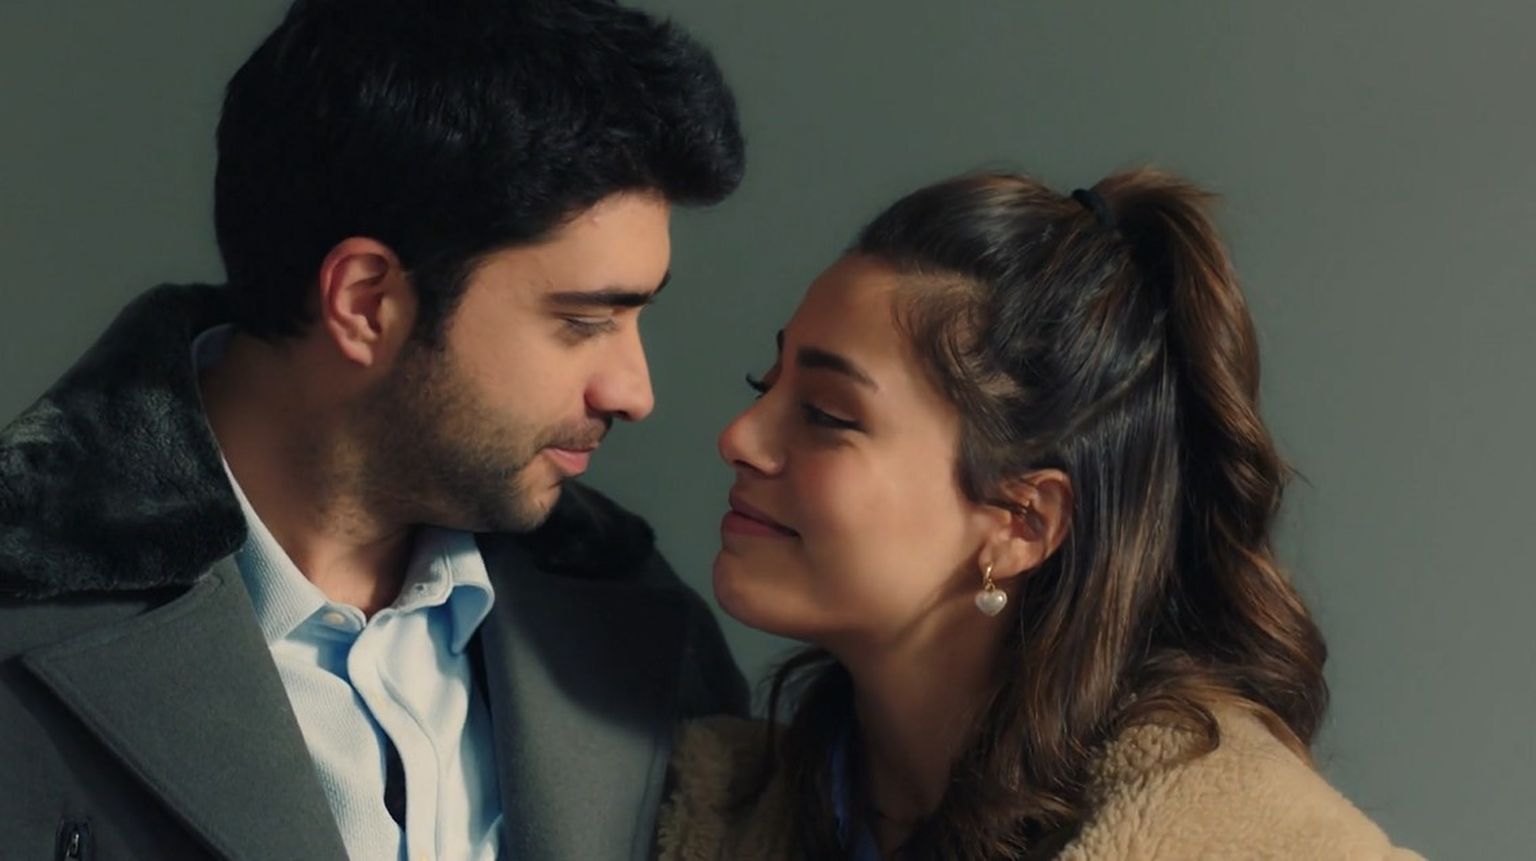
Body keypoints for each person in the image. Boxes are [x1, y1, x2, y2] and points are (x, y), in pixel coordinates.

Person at [0, 0, 747, 858]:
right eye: (583, 321)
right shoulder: (28, 609)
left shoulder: (638, 627)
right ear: (365, 302)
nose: (634, 391)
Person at [657, 170, 1424, 859]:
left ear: (1022, 521)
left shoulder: (1253, 839)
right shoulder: (706, 802)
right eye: (766, 382)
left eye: (827, 413)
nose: (739, 436)